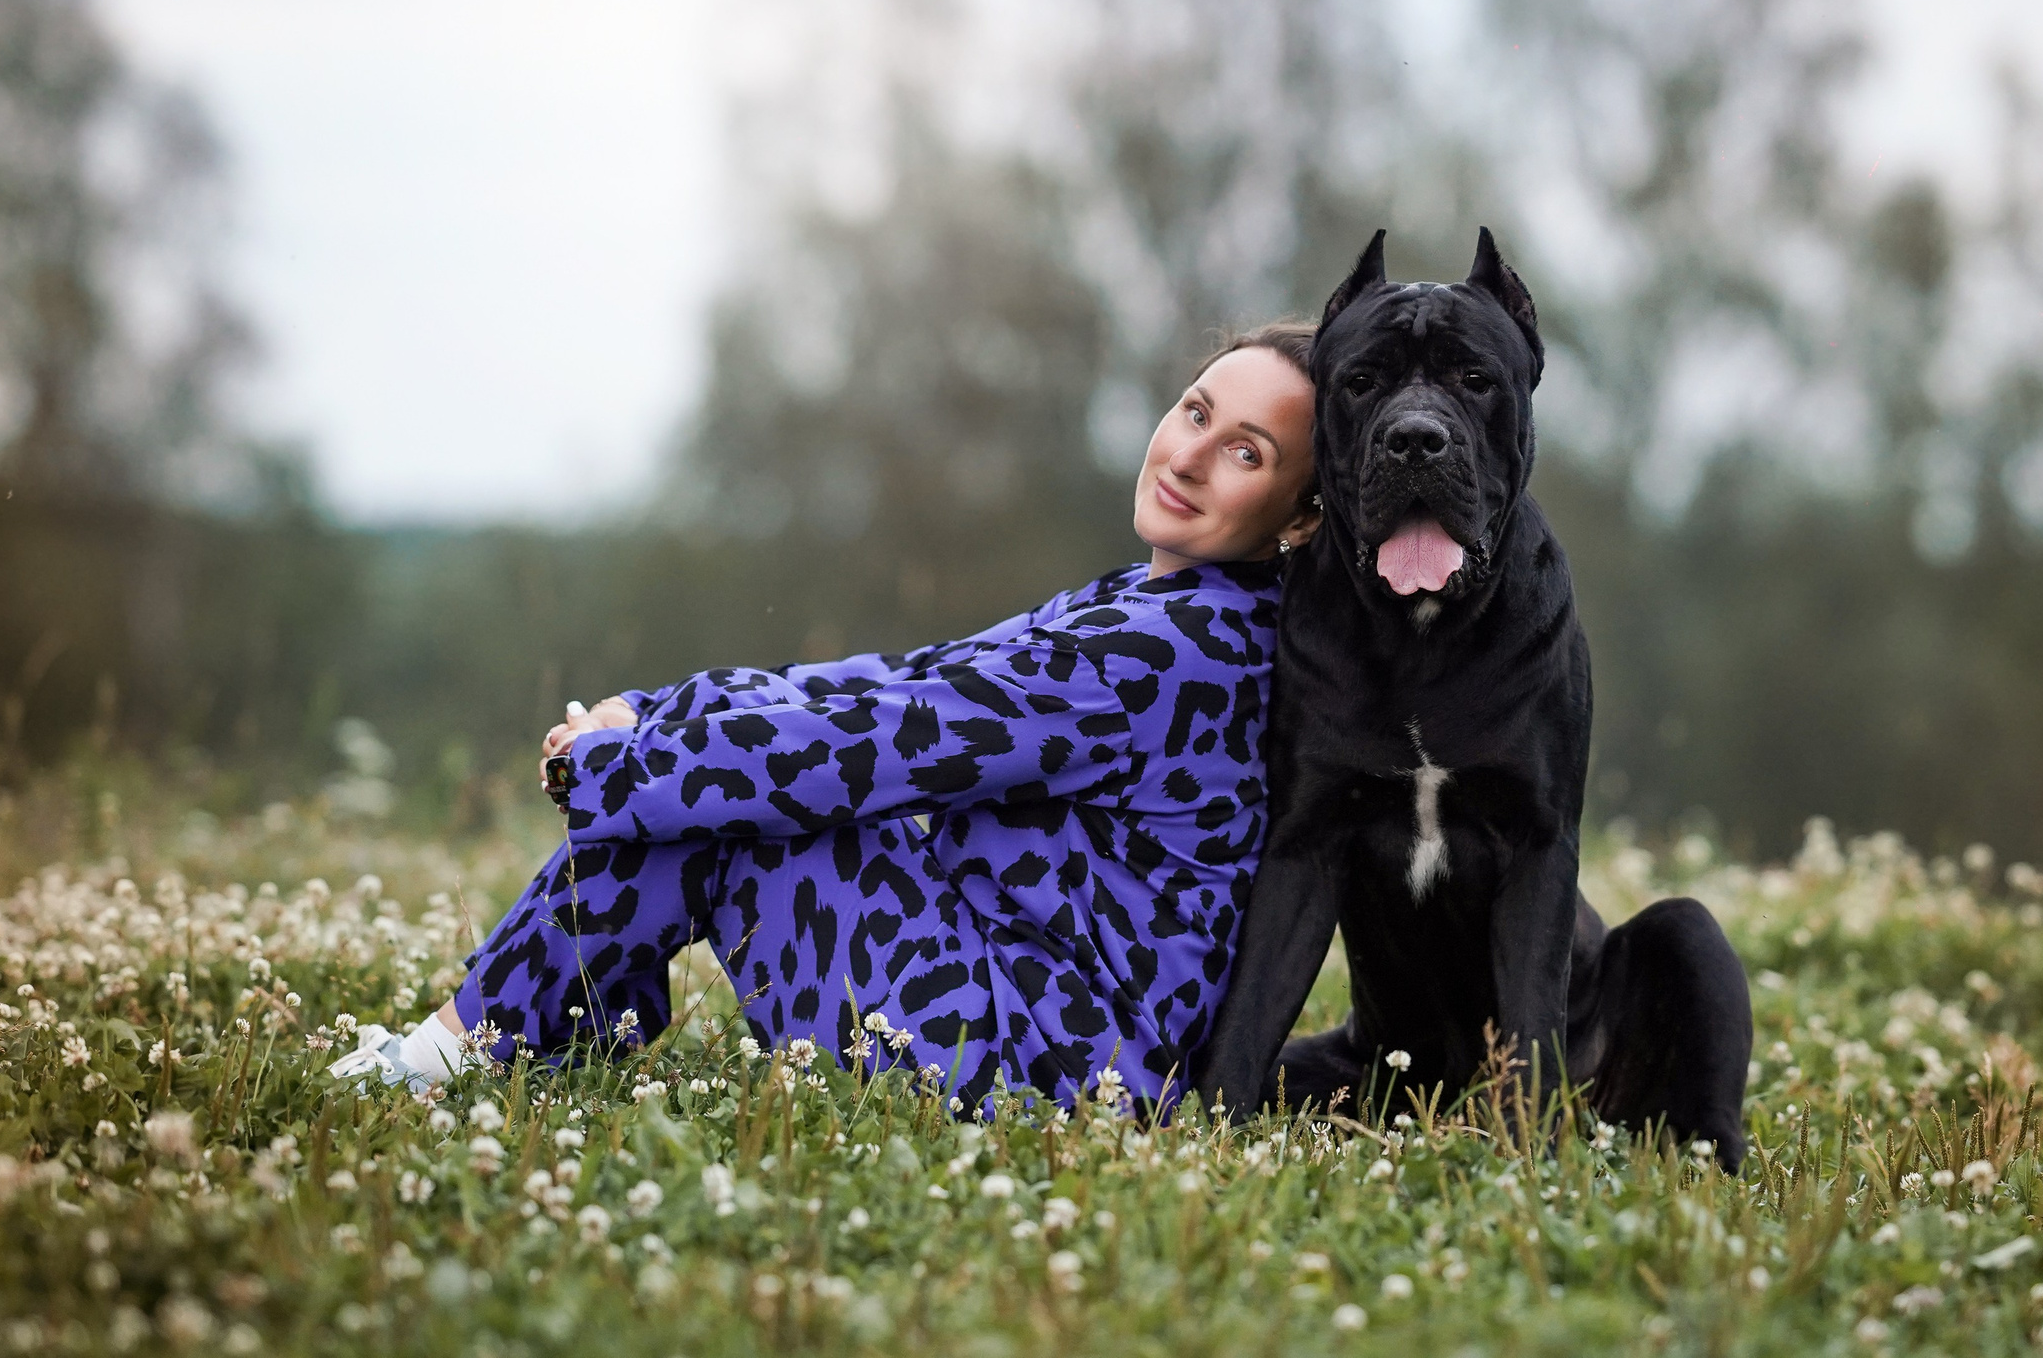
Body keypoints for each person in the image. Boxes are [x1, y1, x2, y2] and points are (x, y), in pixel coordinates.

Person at [333, 325, 1320, 1109]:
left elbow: (881, 742)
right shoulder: (1168, 611)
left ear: (1300, 516)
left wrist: (620, 769)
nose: (1189, 454)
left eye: (1244, 451)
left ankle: (460, 1052)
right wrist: (656, 712)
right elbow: (907, 681)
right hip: (1018, 1013)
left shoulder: (1167, 650)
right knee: (717, 781)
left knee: (720, 805)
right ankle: (507, 1043)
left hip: (1037, 1069)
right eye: (1194, 410)